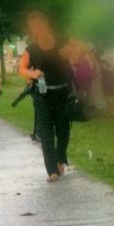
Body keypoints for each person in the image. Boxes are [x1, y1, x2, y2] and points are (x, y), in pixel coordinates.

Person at [19, 12, 75, 182]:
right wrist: (31, 73)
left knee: (63, 130)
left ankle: (60, 158)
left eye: (39, 25)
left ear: (47, 24)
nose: (37, 29)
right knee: (46, 132)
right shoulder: (31, 49)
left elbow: (77, 55)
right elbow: (21, 68)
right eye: (33, 27)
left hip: (62, 93)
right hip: (42, 96)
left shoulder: (61, 42)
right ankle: (51, 169)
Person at [98, 48, 114, 117]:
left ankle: (113, 112)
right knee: (109, 96)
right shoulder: (105, 59)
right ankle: (112, 111)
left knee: (109, 96)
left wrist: (106, 68)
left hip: (109, 79)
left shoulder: (103, 59)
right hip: (109, 79)